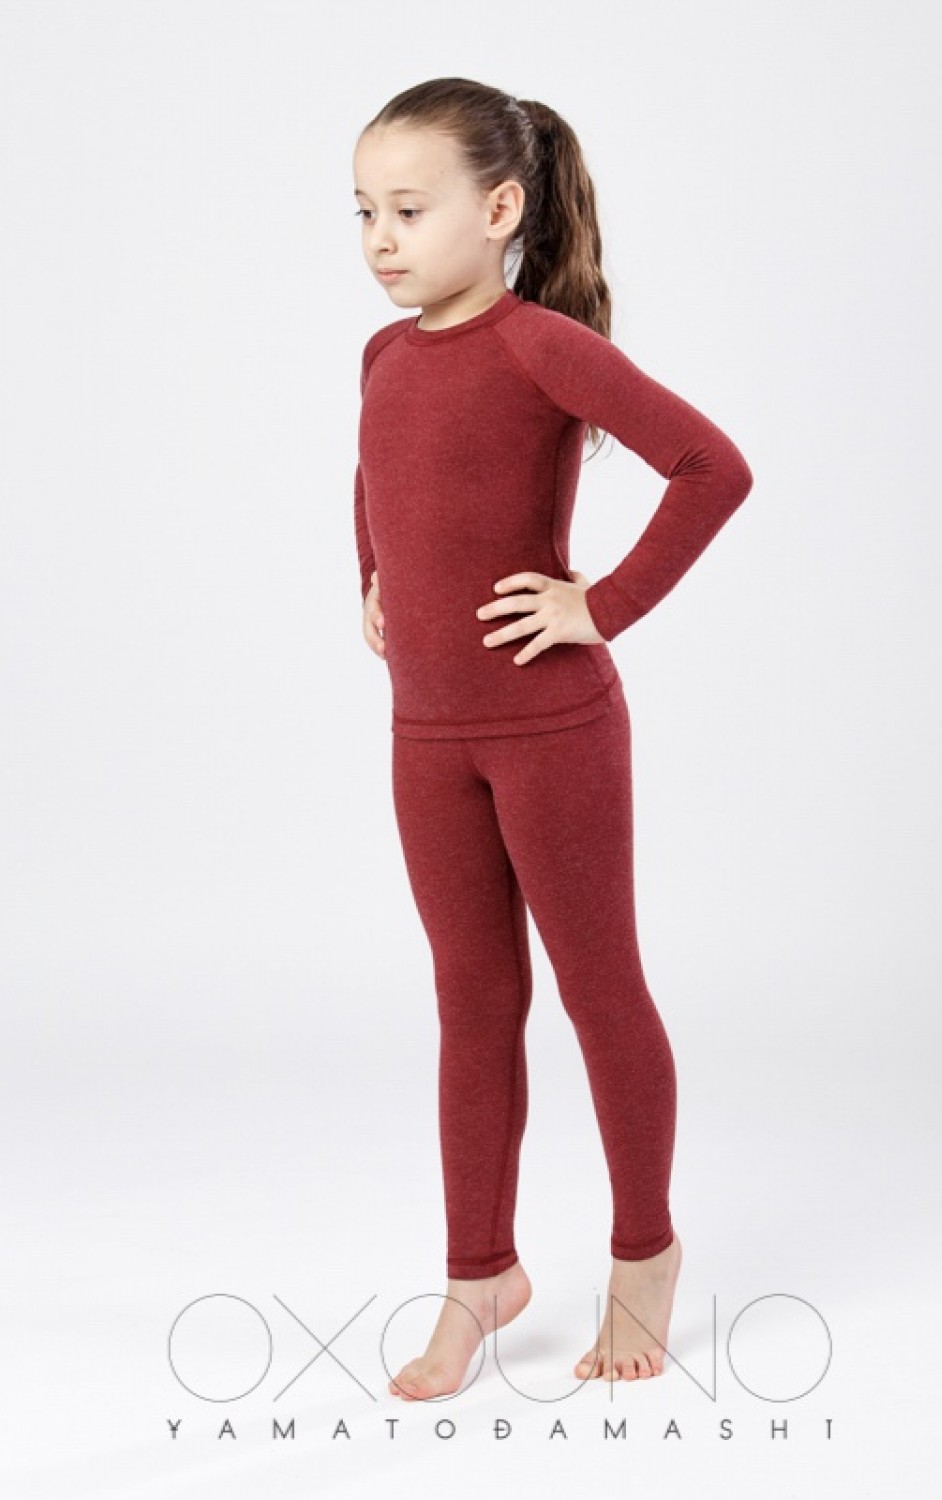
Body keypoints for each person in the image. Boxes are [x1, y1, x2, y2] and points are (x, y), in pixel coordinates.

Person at [351, 77, 753, 1397]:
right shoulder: (383, 356)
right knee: (472, 1002)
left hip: (551, 730)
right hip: (428, 738)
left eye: (409, 210)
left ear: (500, 209)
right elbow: (376, 478)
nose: (382, 239)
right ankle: (480, 1274)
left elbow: (713, 467)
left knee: (597, 990)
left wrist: (601, 605)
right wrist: (371, 576)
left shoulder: (542, 346)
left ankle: (645, 1252)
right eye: (364, 213)